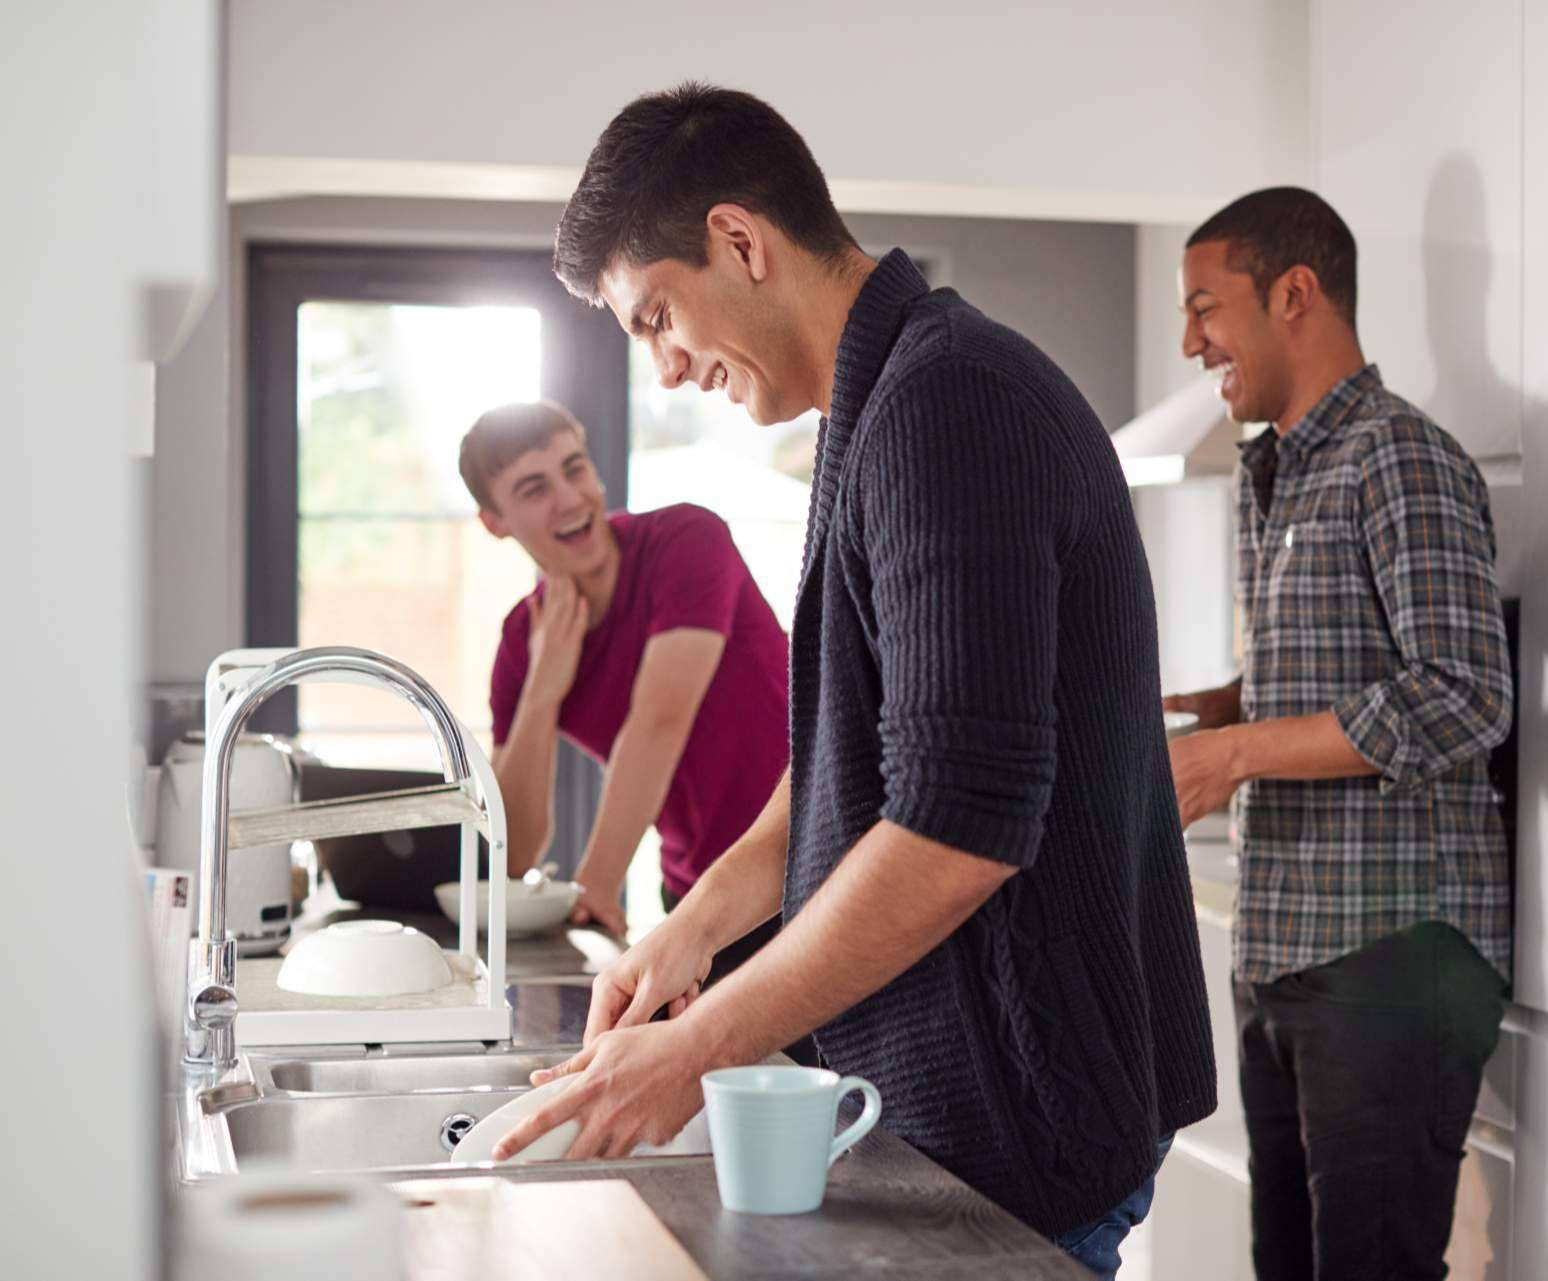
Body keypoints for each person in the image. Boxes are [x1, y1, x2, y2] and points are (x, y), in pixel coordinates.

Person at [491, 83, 1216, 1278]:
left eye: (657, 316)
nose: (667, 369)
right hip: (966, 1114)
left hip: (1021, 1126)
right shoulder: (879, 405)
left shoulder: (948, 405)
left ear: (740, 240)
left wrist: (694, 1051)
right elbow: (862, 759)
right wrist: (693, 932)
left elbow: (956, 828)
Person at [1162, 187, 1513, 1280]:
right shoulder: (1280, 470)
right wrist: (1214, 709)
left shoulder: (1397, 456)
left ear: (1294, 294)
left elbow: (1463, 693)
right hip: (1289, 951)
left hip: (1392, 955)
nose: (1189, 341)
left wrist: (1231, 755)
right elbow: (1350, 668)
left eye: (1204, 307)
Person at [460, 402, 797, 1012]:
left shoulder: (686, 540)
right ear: (495, 521)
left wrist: (595, 885)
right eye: (535, 489)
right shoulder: (523, 640)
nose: (569, 498)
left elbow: (658, 724)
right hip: (694, 896)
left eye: (575, 468)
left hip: (805, 865)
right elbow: (519, 843)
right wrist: (543, 688)